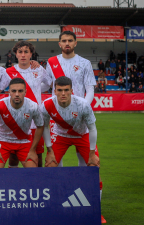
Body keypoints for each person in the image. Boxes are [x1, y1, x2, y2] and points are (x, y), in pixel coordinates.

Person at [40, 76, 104, 223]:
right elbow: (44, 127)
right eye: (60, 90)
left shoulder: (82, 105)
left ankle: (96, 211)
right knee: (50, 166)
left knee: (94, 169)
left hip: (82, 135)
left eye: (66, 90)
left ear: (71, 91)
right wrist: (49, 151)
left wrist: (92, 154)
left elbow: (93, 129)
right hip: (60, 135)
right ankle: (53, 208)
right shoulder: (46, 104)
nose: (63, 93)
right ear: (54, 91)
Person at [45, 31, 97, 168]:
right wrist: (35, 70)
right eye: (64, 40)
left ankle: (84, 185)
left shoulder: (85, 63)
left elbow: (90, 89)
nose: (67, 43)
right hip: (57, 115)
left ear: (75, 42)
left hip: (79, 115)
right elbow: (46, 84)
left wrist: (83, 108)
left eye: (70, 40)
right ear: (59, 43)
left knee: (82, 155)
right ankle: (59, 185)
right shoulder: (51, 62)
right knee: (56, 157)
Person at [6, 41, 51, 168]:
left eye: (26, 52)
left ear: (31, 53)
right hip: (16, 121)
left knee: (38, 158)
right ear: (16, 54)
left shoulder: (38, 69)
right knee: (13, 157)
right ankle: (13, 185)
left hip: (36, 121)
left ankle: (38, 185)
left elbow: (48, 84)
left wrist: (37, 89)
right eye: (20, 52)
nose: (23, 55)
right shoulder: (9, 71)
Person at [0, 78, 44, 168]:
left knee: (32, 171)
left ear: (25, 92)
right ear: (9, 91)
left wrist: (32, 150)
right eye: (14, 91)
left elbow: (40, 126)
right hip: (2, 140)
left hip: (24, 141)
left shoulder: (33, 107)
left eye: (20, 91)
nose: (17, 94)